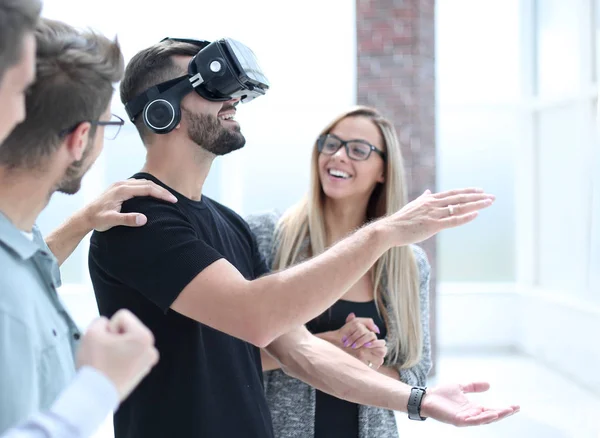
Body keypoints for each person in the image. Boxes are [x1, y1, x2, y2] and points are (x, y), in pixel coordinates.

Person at [88, 38, 518, 438]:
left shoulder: (230, 226)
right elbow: (255, 316)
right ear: (162, 109)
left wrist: (417, 400)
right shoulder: (137, 218)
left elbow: (301, 351)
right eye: (214, 88)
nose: (234, 99)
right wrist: (384, 233)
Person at [0, 15, 162, 437]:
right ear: (79, 139)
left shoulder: (18, 241)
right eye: (108, 126)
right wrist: (99, 387)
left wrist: (81, 223)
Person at [247, 106, 433, 438]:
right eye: (331, 144)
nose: (338, 156)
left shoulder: (409, 264)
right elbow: (229, 355)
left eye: (359, 150)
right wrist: (327, 348)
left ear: (383, 171)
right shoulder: (267, 238)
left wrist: (367, 361)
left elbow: (415, 373)